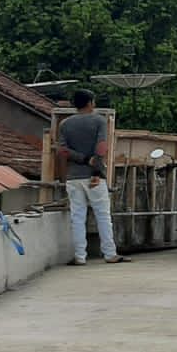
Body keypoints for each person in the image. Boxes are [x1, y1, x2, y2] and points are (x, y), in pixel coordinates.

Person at [56, 89, 130, 265]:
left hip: (73, 177)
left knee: (77, 216)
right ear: (90, 103)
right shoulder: (99, 120)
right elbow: (102, 147)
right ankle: (109, 254)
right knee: (103, 215)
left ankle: (80, 257)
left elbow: (62, 150)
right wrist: (96, 169)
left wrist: (82, 159)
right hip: (94, 177)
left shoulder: (65, 124)